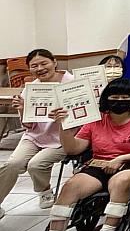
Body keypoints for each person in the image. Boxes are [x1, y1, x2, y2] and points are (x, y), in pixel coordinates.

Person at [26, 79, 130, 231]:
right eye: (114, 97)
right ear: (106, 98)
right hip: (98, 164)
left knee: (121, 182)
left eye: (124, 97)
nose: (119, 101)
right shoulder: (95, 120)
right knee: (71, 186)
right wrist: (63, 126)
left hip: (129, 164)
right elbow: (73, 149)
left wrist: (120, 159)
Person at [0, 50, 74, 219]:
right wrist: (22, 109)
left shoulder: (72, 83)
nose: (40, 68)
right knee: (13, 164)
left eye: (44, 63)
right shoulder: (31, 88)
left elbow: (84, 117)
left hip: (63, 137)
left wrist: (64, 117)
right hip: (34, 136)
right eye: (34, 66)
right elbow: (28, 125)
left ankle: (44, 191)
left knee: (36, 164)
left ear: (54, 62)